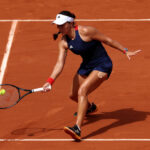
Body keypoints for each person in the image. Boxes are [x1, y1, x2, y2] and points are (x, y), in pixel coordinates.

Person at [43, 10, 141, 140]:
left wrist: (125, 51)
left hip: (103, 65)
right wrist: (50, 81)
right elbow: (59, 64)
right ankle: (90, 107)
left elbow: (108, 40)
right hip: (87, 66)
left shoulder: (86, 31)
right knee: (72, 95)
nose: (59, 27)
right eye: (58, 25)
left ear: (70, 23)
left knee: (82, 91)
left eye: (61, 24)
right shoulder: (63, 42)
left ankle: (77, 128)